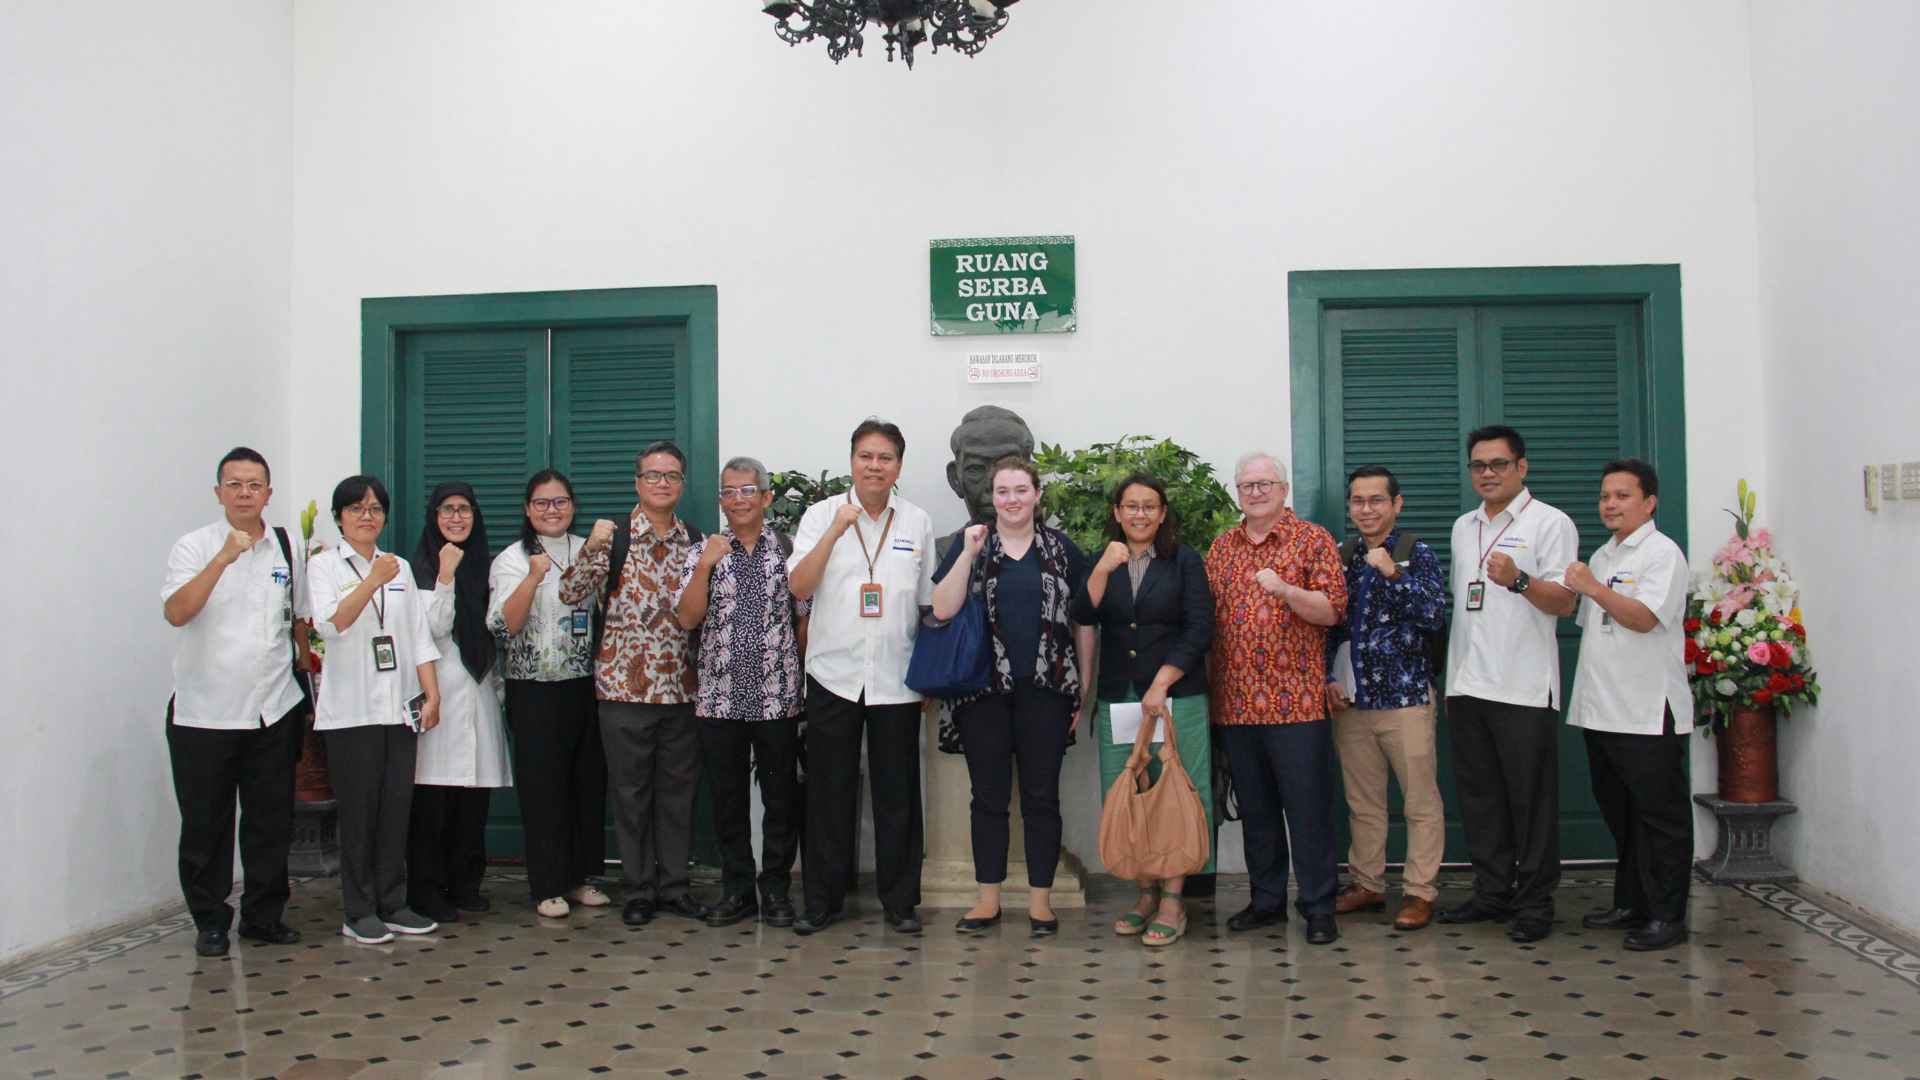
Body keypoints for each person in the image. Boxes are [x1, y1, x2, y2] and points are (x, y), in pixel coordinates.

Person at [786, 418, 938, 935]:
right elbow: (799, 586)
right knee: (829, 792)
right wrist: (835, 530)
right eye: (866, 456)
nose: (875, 466)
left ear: (899, 465)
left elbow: (925, 606)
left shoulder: (916, 522)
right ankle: (823, 901)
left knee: (898, 793)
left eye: (886, 458)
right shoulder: (819, 515)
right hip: (834, 675)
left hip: (897, 680)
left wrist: (926, 679)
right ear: (852, 460)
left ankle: (900, 902)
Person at [161, 447, 312, 957]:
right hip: (205, 711)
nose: (245, 493)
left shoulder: (288, 548)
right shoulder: (194, 546)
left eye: (254, 484)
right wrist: (222, 559)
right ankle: (210, 920)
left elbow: (299, 621)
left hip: (274, 706)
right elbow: (177, 613)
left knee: (271, 820)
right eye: (235, 484)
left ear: (268, 492)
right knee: (207, 823)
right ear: (218, 492)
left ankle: (264, 917)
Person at [931, 458, 1091, 938]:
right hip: (983, 694)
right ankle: (987, 900)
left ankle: (1041, 903)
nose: (1012, 499)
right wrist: (966, 553)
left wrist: (1085, 686)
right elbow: (941, 608)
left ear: (1037, 494)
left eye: (1021, 489)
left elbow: (1083, 621)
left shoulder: (1062, 551)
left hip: (1047, 692)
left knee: (1042, 798)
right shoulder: (974, 544)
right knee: (988, 799)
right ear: (992, 498)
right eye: (1003, 491)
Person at [1439, 425, 1579, 943]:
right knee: (1480, 797)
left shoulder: (1551, 524)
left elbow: (1566, 602)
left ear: (1522, 467)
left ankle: (1536, 901)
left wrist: (1520, 580)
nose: (1488, 474)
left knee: (1531, 800)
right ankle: (1492, 891)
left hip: (1522, 687)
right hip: (1469, 684)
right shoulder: (1462, 526)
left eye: (1499, 464)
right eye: (1479, 465)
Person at [1205, 452, 1348, 946]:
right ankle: (1266, 900)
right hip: (1238, 705)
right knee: (1257, 811)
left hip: (1297, 706)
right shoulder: (1221, 548)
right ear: (1237, 492)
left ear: (1284, 489)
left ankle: (1318, 906)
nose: (1256, 492)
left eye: (1266, 483)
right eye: (1247, 485)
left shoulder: (1313, 540)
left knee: (1307, 810)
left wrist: (1286, 589)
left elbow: (1330, 611)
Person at [561, 442, 706, 927]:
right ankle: (639, 888)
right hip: (623, 692)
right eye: (653, 475)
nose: (662, 483)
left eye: (672, 476)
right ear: (637, 483)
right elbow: (570, 592)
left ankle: (675, 887)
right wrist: (593, 545)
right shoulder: (614, 539)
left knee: (677, 795)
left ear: (682, 484)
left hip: (683, 691)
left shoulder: (698, 541)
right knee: (630, 794)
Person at [1071, 472, 1215, 947]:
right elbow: (1083, 615)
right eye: (1130, 506)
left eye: (1149, 506)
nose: (1139, 514)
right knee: (1130, 792)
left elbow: (1200, 627)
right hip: (1121, 695)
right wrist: (1100, 570)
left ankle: (1174, 899)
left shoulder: (1184, 560)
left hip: (1176, 695)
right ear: (1116, 513)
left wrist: (1162, 682)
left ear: (1162, 512)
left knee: (1177, 791)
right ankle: (1145, 893)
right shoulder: (1105, 560)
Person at [1563, 459, 1694, 951]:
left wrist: (1592, 589)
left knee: (1660, 818)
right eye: (1604, 497)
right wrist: (1592, 583)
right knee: (1621, 813)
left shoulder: (1662, 554)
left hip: (1646, 709)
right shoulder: (1601, 555)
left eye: (1622, 496)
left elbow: (1643, 619)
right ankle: (1632, 902)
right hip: (1602, 709)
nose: (1610, 505)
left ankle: (1667, 915)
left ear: (1649, 502)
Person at [673, 456, 808, 929]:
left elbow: (802, 620)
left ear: (767, 498)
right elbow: (688, 619)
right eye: (728, 492)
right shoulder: (702, 550)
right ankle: (737, 891)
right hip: (719, 699)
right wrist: (705, 568)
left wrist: (802, 681)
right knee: (727, 800)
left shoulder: (789, 550)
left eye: (747, 491)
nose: (737, 500)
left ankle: (775, 890)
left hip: (777, 698)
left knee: (780, 799)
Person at [309, 475, 442, 945]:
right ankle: (358, 909)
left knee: (395, 811)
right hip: (352, 712)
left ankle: (393, 902)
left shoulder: (400, 566)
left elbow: (417, 637)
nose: (368, 516)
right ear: (339, 516)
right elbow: (332, 623)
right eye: (357, 508)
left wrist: (433, 694)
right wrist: (371, 581)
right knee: (360, 813)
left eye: (376, 509)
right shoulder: (324, 566)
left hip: (399, 707)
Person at [1324, 466, 1449, 931]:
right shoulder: (1343, 554)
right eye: (1358, 500)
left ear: (1397, 504)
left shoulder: (1417, 554)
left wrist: (1394, 573)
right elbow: (1329, 625)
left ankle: (1419, 892)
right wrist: (1323, 677)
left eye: (1376, 500)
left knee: (1420, 802)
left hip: (1405, 698)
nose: (1366, 509)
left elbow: (1434, 614)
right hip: (1353, 701)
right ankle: (1368, 884)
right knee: (1363, 802)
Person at [489, 469, 607, 919]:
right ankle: (546, 885)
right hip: (533, 689)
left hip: (585, 685)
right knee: (543, 787)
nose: (551, 510)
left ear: (572, 506)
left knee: (586, 783)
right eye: (541, 503)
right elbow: (503, 625)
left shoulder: (589, 550)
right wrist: (533, 577)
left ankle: (580, 878)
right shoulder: (513, 559)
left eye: (559, 502)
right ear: (527, 509)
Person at [407, 482, 511, 923]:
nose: (456, 517)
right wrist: (445, 576)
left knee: (473, 797)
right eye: (447, 510)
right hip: (439, 692)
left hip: (480, 689)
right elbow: (431, 628)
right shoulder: (419, 569)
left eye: (464, 509)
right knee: (433, 799)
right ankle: (428, 890)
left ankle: (466, 883)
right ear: (434, 516)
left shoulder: (484, 566)